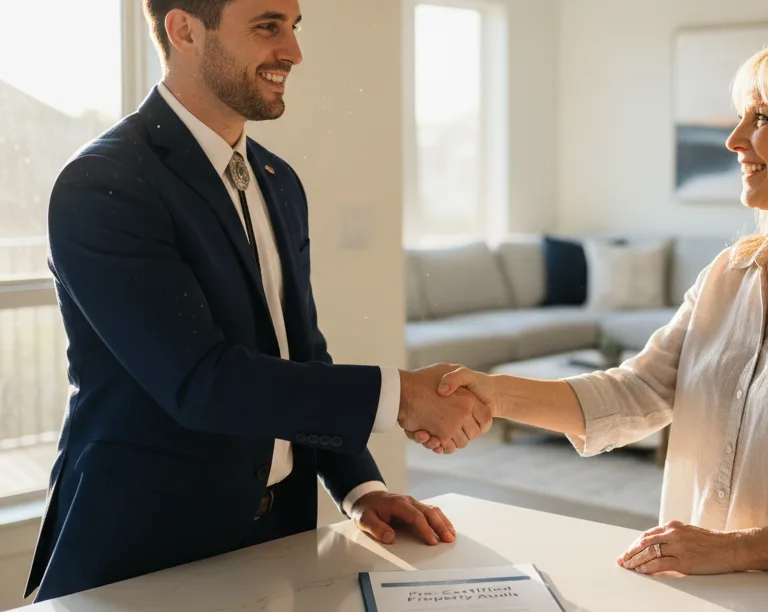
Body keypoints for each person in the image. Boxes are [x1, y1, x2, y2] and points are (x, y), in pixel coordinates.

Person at [419, 38, 768, 584]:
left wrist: (732, 549)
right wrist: (494, 393)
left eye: (763, 117)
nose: (734, 140)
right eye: (740, 117)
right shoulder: (730, 273)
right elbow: (638, 390)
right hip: (715, 591)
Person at [27, 0, 489, 601]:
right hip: (143, 555)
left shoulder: (279, 181)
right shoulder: (103, 185)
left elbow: (302, 358)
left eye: (293, 27)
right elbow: (201, 381)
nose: (294, 52)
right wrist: (400, 397)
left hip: (280, 541)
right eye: (268, 26)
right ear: (184, 30)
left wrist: (361, 489)